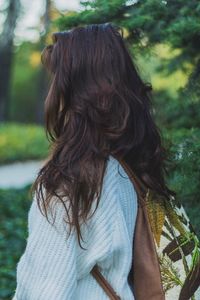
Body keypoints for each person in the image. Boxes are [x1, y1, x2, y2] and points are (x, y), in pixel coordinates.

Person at [13, 23, 174, 299]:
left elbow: (43, 291)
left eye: (58, 79)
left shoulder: (71, 182)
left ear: (75, 91)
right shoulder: (131, 167)